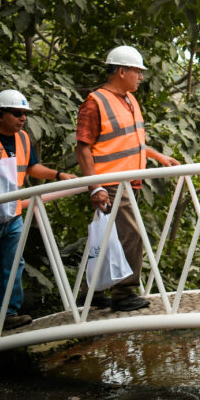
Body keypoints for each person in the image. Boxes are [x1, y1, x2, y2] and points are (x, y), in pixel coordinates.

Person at [76, 46, 179, 312]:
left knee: (105, 235)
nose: (141, 77)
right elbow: (83, 147)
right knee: (131, 234)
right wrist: (94, 186)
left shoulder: (130, 100)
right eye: (137, 71)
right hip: (110, 181)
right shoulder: (95, 101)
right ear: (121, 71)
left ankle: (91, 292)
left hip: (128, 180)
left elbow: (132, 141)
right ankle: (123, 293)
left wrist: (158, 157)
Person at [0, 90, 77, 329]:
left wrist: (58, 175)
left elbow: (31, 167)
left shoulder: (24, 138)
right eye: (17, 113)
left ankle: (7, 314)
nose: (22, 118)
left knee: (14, 263)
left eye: (24, 114)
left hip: (12, 214)